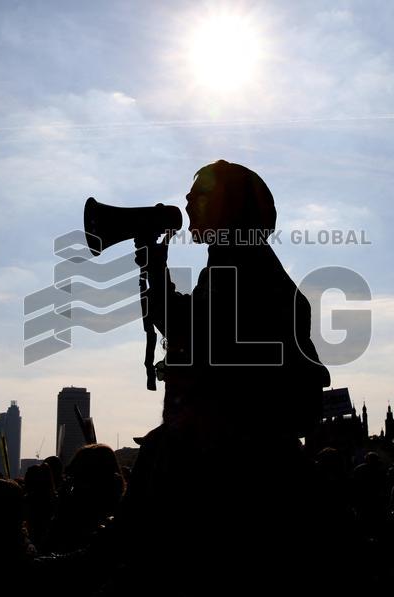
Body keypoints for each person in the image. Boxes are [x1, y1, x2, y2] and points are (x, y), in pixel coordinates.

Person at [122, 160, 332, 593]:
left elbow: (185, 327)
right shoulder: (238, 261)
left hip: (237, 471)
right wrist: (153, 268)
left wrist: (152, 269)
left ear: (228, 206)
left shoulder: (236, 267)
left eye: (199, 194)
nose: (186, 203)